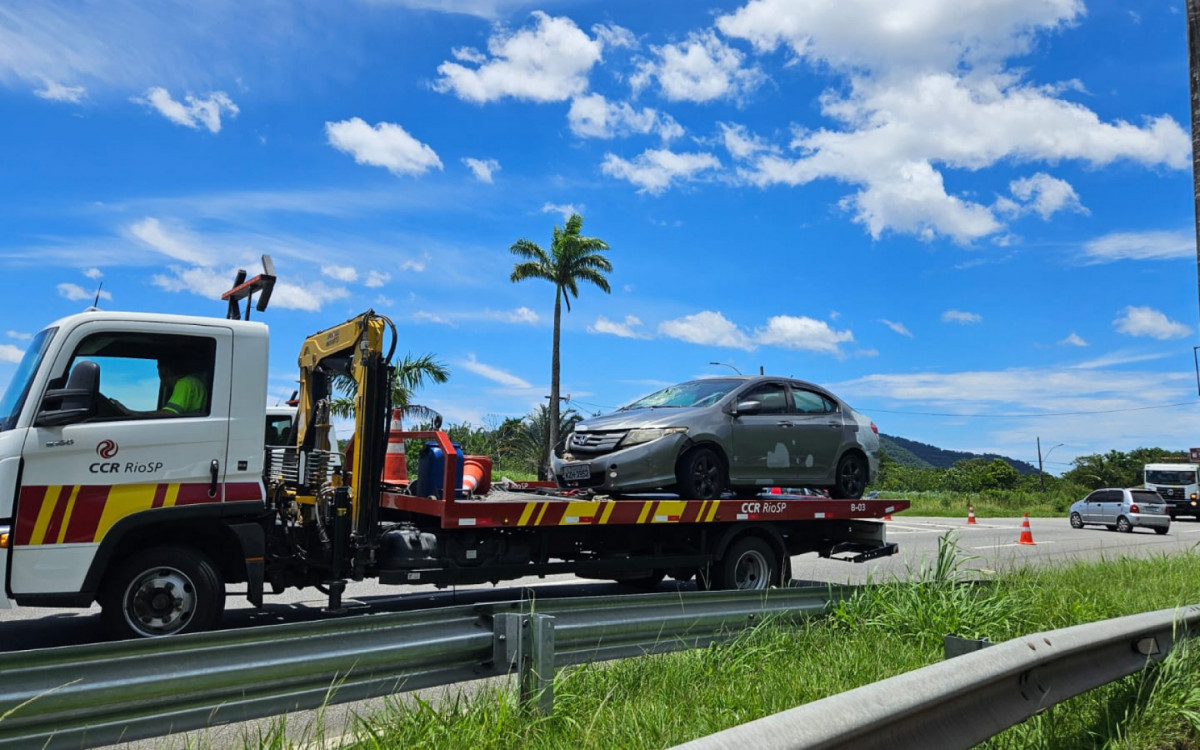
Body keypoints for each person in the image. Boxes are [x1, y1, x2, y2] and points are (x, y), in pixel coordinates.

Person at [103, 358, 208, 418]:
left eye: (158, 368)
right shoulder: (194, 381)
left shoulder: (184, 384)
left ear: (164, 370)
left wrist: (131, 412)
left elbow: (169, 414)